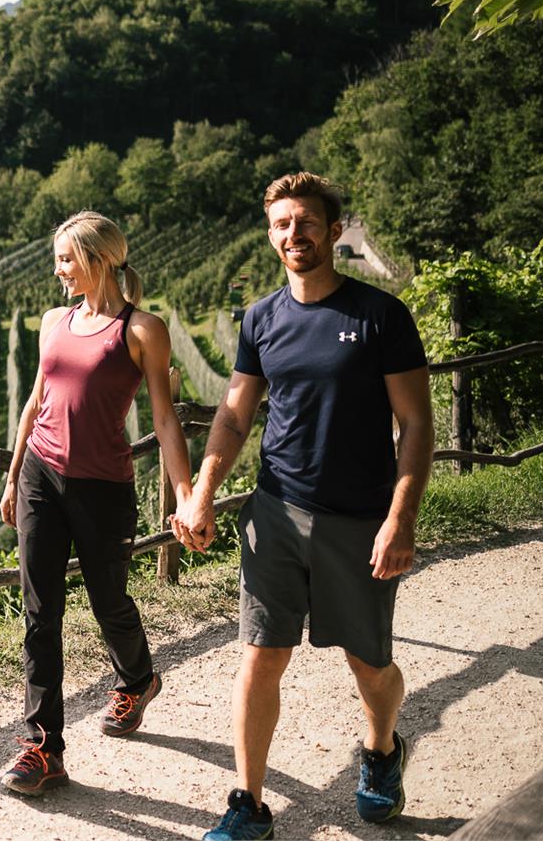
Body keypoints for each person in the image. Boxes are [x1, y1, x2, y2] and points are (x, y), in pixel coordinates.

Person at [175, 173, 431, 841]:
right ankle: (247, 802)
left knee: (369, 664)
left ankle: (381, 752)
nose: (296, 234)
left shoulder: (379, 317)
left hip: (359, 520)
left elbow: (417, 425)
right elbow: (234, 414)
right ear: (271, 235)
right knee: (260, 655)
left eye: (308, 222)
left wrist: (400, 519)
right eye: (283, 224)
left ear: (334, 230)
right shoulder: (261, 318)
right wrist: (202, 490)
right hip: (275, 513)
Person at [0, 211, 195, 794]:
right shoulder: (53, 321)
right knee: (41, 611)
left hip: (103, 488)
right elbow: (36, 402)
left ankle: (137, 677)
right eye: (57, 259)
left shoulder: (141, 330)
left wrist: (185, 494)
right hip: (41, 475)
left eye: (66, 259)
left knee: (109, 602)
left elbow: (162, 418)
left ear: (100, 259)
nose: (59, 271)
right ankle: (43, 749)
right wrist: (13, 478)